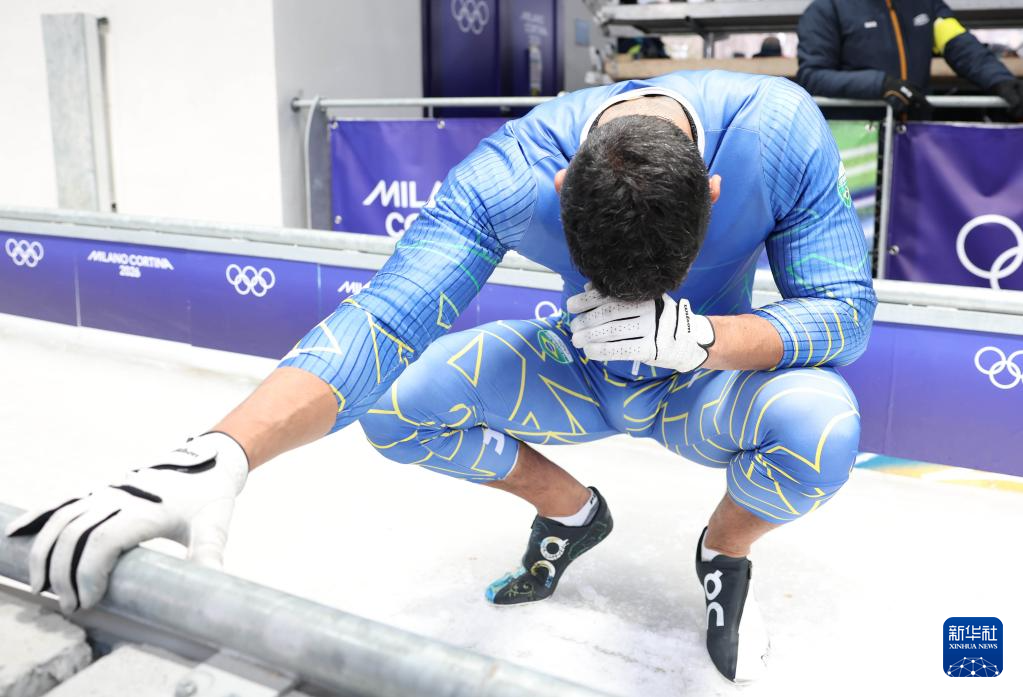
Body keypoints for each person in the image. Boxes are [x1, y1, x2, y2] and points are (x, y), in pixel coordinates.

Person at [6, 70, 876, 683]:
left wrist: (699, 337)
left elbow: (846, 312)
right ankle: (572, 512)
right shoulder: (510, 169)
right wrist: (222, 452)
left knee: (824, 425)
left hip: (704, 381)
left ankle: (723, 550)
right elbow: (385, 319)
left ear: (713, 192)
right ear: (560, 185)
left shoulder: (777, 129)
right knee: (398, 406)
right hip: (577, 368)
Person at [797, 0, 1023, 119]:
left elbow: (960, 45)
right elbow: (812, 76)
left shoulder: (925, 4)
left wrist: (1000, 80)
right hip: (857, 141)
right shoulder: (826, 8)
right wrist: (881, 85)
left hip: (914, 136)